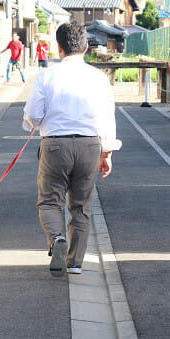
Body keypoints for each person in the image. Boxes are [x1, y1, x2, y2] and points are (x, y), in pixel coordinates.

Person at [22, 21, 121, 277]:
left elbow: (33, 115)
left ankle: (56, 239)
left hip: (55, 145)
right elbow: (107, 117)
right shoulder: (98, 77)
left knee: (49, 201)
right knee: (81, 206)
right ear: (86, 46)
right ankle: (75, 262)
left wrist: (35, 123)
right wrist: (107, 152)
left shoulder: (46, 75)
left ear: (58, 48)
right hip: (90, 145)